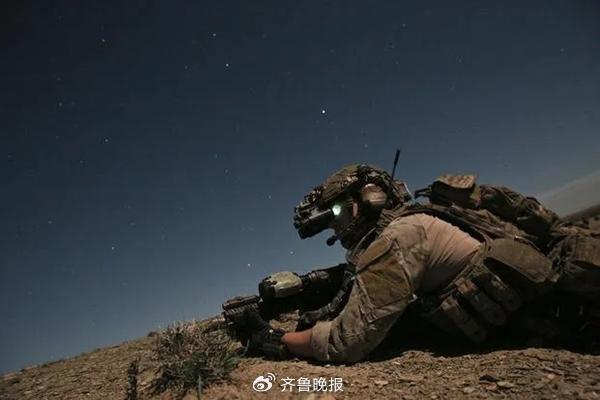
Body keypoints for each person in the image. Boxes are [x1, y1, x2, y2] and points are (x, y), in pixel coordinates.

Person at [238, 164, 600, 363]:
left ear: (367, 200)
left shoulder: (398, 238)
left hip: (571, 321)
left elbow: (346, 342)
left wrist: (277, 339)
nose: (336, 227)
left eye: (336, 213)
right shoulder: (419, 220)